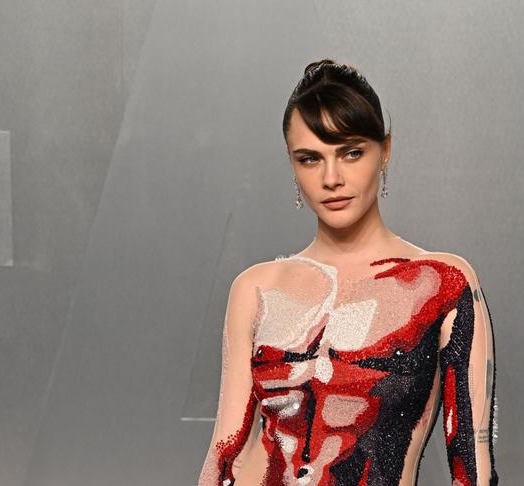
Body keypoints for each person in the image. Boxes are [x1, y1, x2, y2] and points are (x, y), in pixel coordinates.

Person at [198, 59, 498, 485]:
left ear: (385, 150)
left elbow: (473, 463)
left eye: (351, 152)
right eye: (309, 159)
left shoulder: (441, 282)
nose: (331, 178)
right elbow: (225, 451)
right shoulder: (255, 288)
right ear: (292, 164)